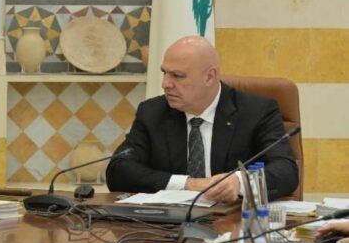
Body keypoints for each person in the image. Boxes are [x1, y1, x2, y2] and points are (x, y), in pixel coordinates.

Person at [106, 36, 298, 202]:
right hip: (169, 223)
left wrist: (239, 182)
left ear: (210, 77)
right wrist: (189, 184)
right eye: (164, 73)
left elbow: (286, 171)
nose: (165, 84)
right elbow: (119, 171)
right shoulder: (152, 112)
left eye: (177, 76)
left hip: (233, 221)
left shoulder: (256, 111)